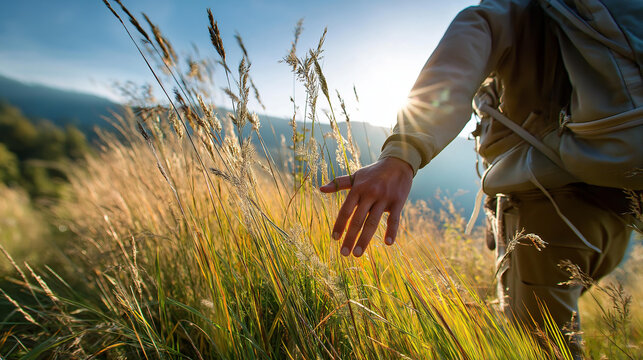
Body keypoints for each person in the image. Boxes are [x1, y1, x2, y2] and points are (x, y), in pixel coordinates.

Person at [319, 0, 640, 356]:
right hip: (619, 211)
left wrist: (402, 153)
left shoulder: (515, 7)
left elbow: (464, 49)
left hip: (549, 210)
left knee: (540, 349)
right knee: (559, 332)